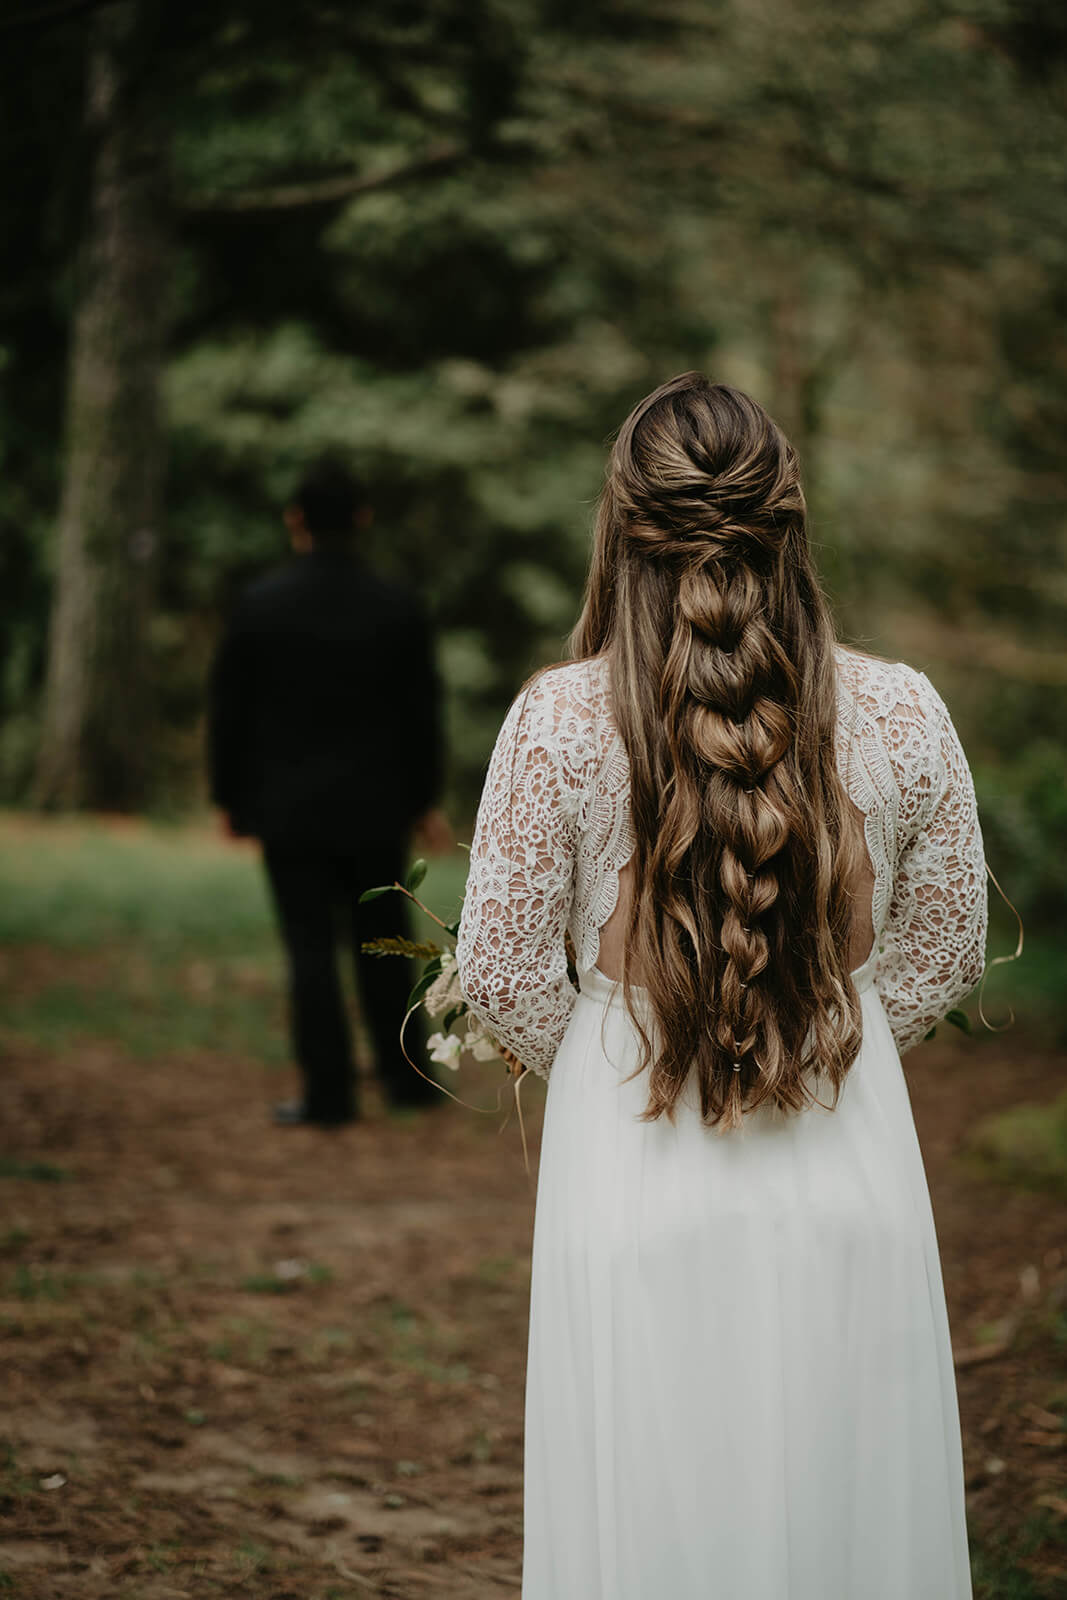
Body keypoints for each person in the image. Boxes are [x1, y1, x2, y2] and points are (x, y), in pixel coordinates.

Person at [456, 375, 987, 1599]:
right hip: (850, 1160)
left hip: (633, 1173)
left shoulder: (556, 721)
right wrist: (820, 1036)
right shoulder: (903, 712)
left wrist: (624, 1048)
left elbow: (497, 967)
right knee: (851, 1516)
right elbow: (945, 944)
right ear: (789, 522)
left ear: (620, 525)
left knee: (649, 1520)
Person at [208, 458, 451, 1126]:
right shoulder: (397, 607)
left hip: (288, 812)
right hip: (377, 809)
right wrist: (423, 796)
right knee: (384, 942)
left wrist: (230, 797)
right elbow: (421, 715)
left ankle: (328, 1095)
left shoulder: (260, 606)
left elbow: (231, 712)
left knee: (308, 949)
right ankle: (407, 1081)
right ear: (363, 519)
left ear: (295, 522)